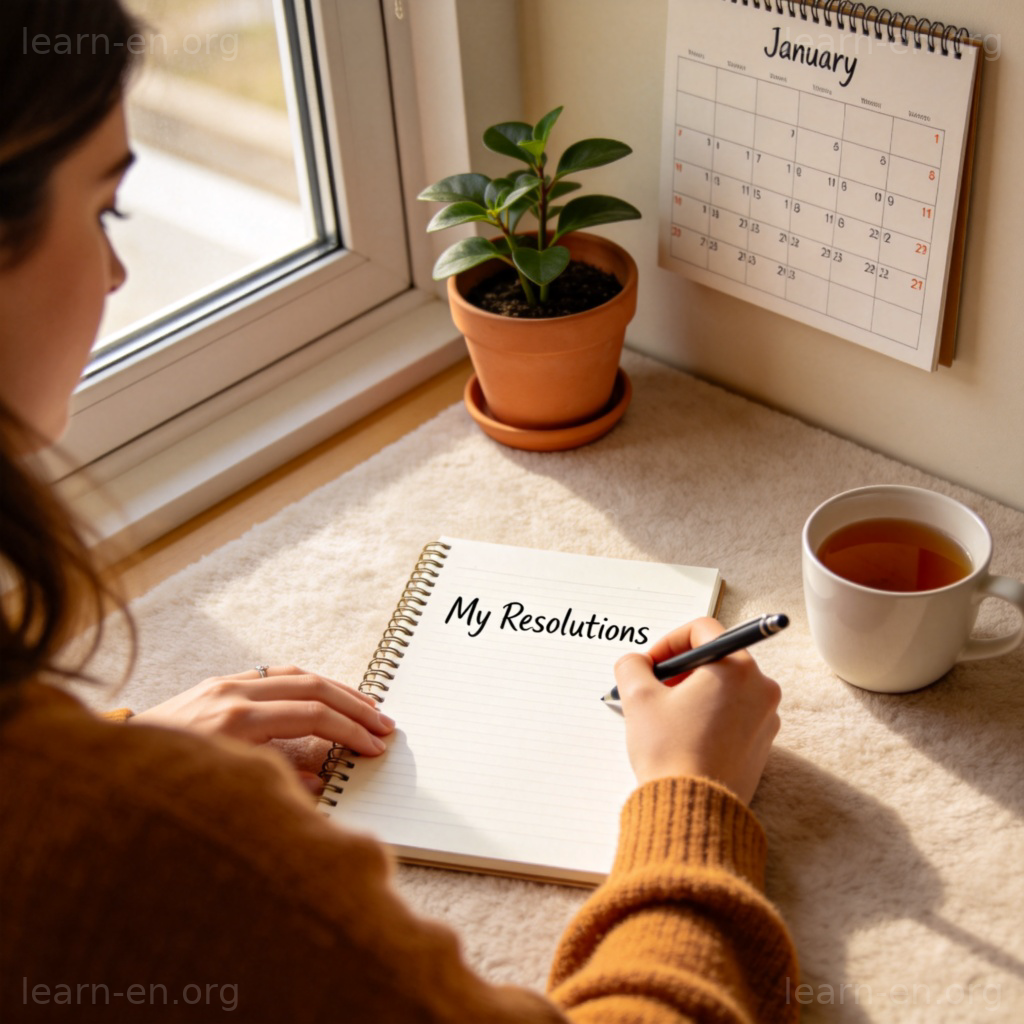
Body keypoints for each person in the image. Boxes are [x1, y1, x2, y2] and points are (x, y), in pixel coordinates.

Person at [0, 2, 799, 1020]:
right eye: (104, 210)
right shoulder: (175, 853)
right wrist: (695, 800)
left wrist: (114, 758)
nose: (118, 275)